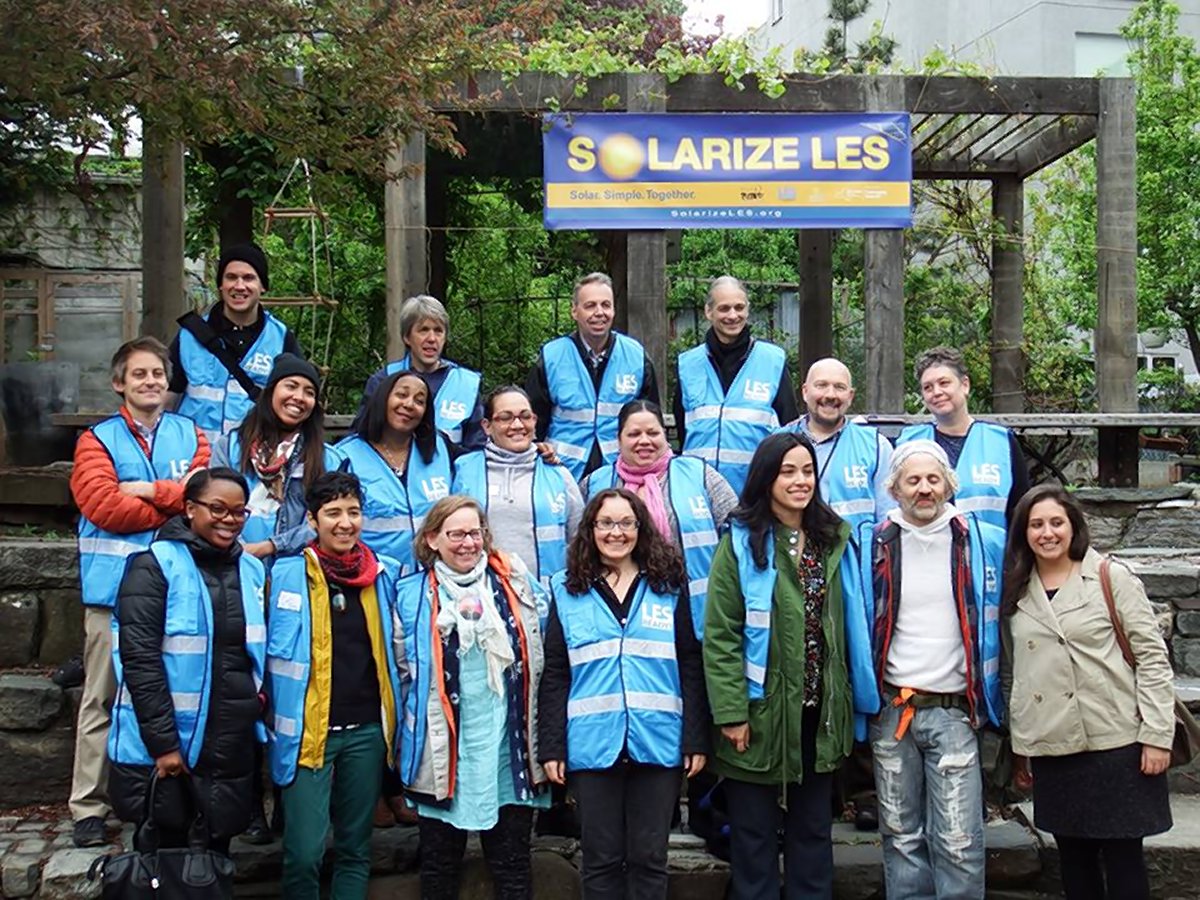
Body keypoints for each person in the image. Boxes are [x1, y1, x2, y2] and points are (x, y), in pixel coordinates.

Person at [68, 336, 210, 848]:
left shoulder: (190, 433)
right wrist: (175, 504)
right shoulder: (95, 440)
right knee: (101, 698)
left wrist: (150, 490)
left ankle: (164, 798)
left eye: (157, 374)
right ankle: (88, 803)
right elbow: (102, 505)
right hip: (112, 595)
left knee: (172, 697)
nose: (150, 382)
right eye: (140, 374)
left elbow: (204, 498)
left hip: (176, 592)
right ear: (119, 383)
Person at [1001, 485, 1173, 900]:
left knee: (1123, 858)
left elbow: (1152, 659)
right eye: (1036, 524)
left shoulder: (1109, 577)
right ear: (1023, 533)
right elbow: (1019, 675)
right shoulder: (1019, 589)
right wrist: (1022, 747)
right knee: (1074, 862)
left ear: (1073, 526)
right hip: (1053, 746)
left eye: (1056, 523)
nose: (1047, 533)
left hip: (1116, 741)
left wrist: (1156, 735)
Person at [703, 431, 854, 899]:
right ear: (766, 478)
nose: (800, 480)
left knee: (813, 834)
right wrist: (731, 713)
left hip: (818, 713)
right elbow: (721, 634)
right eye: (788, 471)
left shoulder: (833, 539)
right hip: (760, 713)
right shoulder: (742, 544)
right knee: (754, 839)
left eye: (807, 470)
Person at [540, 488, 707, 900]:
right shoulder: (566, 589)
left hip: (659, 742)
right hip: (592, 746)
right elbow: (556, 673)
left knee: (650, 857)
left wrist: (696, 737)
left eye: (626, 523)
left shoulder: (668, 585)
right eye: (606, 523)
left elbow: (690, 661)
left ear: (641, 527)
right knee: (600, 859)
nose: (617, 533)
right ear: (590, 529)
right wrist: (552, 747)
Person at [868, 440, 1006, 900]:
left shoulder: (979, 540)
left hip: (953, 712)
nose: (924, 489)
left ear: (949, 483)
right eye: (913, 480)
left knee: (959, 841)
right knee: (900, 836)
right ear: (894, 488)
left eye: (933, 479)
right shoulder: (875, 542)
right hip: (893, 708)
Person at [394, 496, 548, 900]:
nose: (468, 543)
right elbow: (402, 672)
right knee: (440, 867)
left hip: (505, 748)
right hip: (442, 752)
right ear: (432, 539)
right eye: (456, 534)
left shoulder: (514, 580)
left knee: (513, 863)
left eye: (475, 533)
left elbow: (543, 643)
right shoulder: (410, 594)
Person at [107, 468, 267, 855]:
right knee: (164, 861)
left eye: (239, 511)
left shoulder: (252, 570)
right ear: (190, 509)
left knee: (213, 863)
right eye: (218, 508)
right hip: (167, 745)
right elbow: (139, 661)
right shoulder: (153, 565)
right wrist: (163, 745)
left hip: (230, 741)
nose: (229, 520)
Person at [266, 471, 404, 900]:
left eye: (354, 512)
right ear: (312, 519)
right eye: (333, 513)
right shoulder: (286, 575)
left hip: (366, 732)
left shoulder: (385, 575)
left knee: (354, 849)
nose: (345, 523)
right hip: (309, 734)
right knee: (304, 852)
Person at [778, 356, 894, 829]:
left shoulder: (873, 445)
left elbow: (889, 520)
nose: (830, 394)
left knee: (859, 675)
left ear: (851, 395)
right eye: (821, 385)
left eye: (840, 387)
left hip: (858, 584)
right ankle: (810, 789)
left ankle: (863, 787)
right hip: (797, 577)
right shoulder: (781, 441)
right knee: (806, 674)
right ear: (804, 390)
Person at [580, 399, 738, 639]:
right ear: (619, 438)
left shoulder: (701, 475)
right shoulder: (594, 485)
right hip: (618, 620)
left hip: (696, 614)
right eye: (634, 434)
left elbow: (738, 533)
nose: (644, 440)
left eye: (652, 432)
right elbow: (578, 548)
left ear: (665, 435)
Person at [525, 272, 658, 481]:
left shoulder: (636, 356)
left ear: (614, 310)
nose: (599, 312)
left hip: (620, 472)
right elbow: (532, 418)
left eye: (606, 305)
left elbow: (651, 418)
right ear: (574, 311)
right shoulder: (552, 356)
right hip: (561, 471)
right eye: (590, 306)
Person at [213, 353, 343, 562]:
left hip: (296, 569)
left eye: (309, 392)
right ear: (271, 391)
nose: (299, 397)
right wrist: (237, 550)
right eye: (291, 386)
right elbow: (213, 506)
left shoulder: (330, 460)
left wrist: (270, 546)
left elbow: (331, 520)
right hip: (230, 562)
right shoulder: (229, 447)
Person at [675, 276, 798, 495]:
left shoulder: (772, 361)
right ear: (708, 311)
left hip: (755, 494)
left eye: (739, 307)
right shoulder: (688, 364)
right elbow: (682, 427)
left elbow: (788, 429)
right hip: (699, 493)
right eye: (724, 308)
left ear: (748, 310)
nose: (733, 315)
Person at [452, 385, 585, 587]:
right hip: (483, 598)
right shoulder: (463, 471)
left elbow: (581, 539)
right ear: (487, 426)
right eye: (505, 418)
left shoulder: (558, 474)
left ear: (534, 421)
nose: (517, 425)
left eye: (525, 416)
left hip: (548, 599)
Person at [170, 241, 304, 441]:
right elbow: (164, 399)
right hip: (195, 461)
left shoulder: (281, 338)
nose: (239, 286)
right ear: (221, 285)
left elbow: (297, 401)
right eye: (231, 277)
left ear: (263, 286)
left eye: (249, 278)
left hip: (253, 461)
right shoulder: (190, 336)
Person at [897, 346, 1029, 528]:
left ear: (965, 385)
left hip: (991, 554)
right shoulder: (909, 442)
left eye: (944, 383)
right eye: (928, 387)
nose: (936, 392)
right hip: (925, 552)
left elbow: (1021, 510)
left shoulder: (1001, 442)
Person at [338, 370, 456, 575]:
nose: (409, 404)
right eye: (402, 395)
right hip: (371, 579)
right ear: (383, 398)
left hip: (432, 581)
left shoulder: (441, 449)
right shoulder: (344, 456)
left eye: (420, 401)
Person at [354, 294, 485, 448]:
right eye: (423, 330)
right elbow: (360, 439)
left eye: (438, 331)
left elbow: (476, 448)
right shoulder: (383, 381)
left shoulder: (466, 384)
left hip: (451, 470)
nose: (431, 338)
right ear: (407, 337)